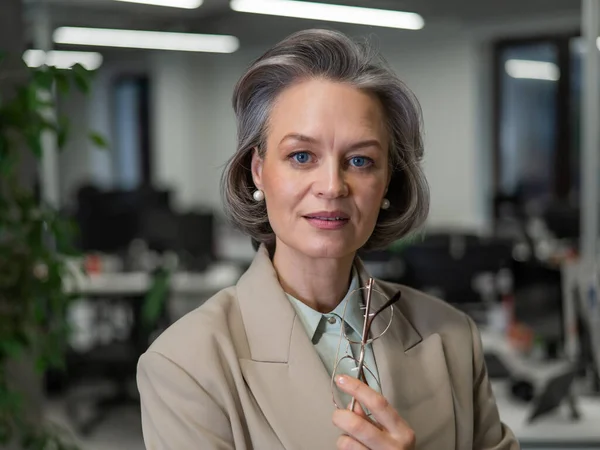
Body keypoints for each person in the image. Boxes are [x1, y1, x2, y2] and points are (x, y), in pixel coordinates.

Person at [137, 29, 519, 450]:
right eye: (302, 156)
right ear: (258, 171)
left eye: (360, 160)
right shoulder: (186, 362)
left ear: (388, 180)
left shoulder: (453, 337)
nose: (333, 186)